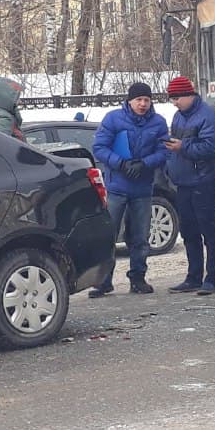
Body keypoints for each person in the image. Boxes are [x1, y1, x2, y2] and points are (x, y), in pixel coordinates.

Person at [89, 82, 170, 297]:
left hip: (143, 188)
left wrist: (144, 163)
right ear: (129, 101)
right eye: (138, 100)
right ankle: (103, 281)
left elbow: (164, 151)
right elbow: (99, 148)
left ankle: (138, 278)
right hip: (117, 187)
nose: (142, 104)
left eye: (146, 100)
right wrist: (121, 163)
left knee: (140, 237)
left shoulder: (158, 123)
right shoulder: (113, 119)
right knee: (109, 236)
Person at [163, 76, 215, 296]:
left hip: (204, 181)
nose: (174, 102)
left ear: (189, 95)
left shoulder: (207, 116)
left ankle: (212, 278)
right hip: (184, 182)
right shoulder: (179, 117)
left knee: (209, 231)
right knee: (189, 231)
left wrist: (182, 147)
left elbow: (211, 147)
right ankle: (194, 276)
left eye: (177, 98)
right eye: (172, 99)